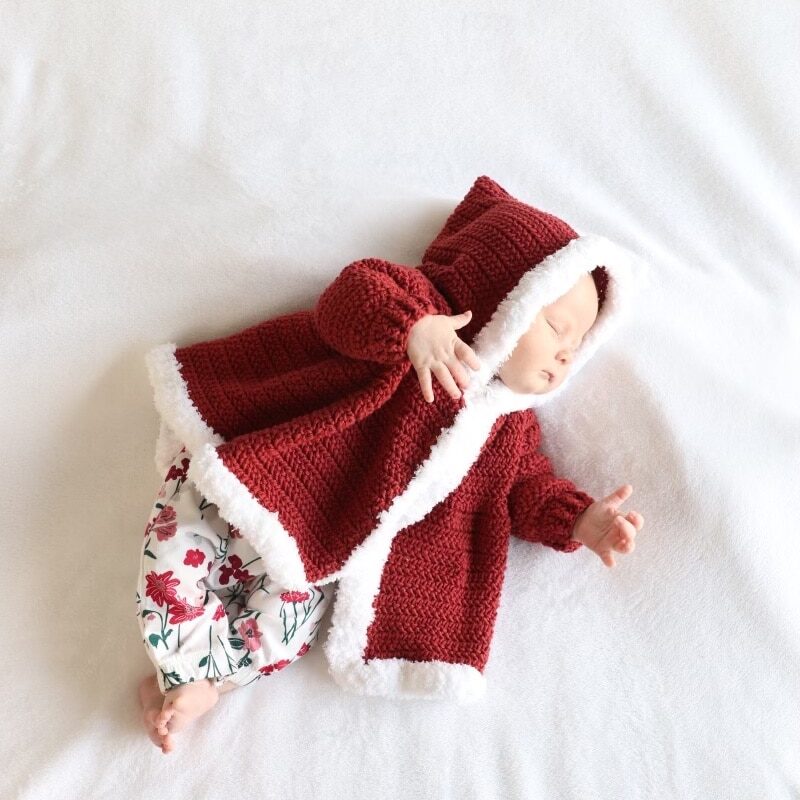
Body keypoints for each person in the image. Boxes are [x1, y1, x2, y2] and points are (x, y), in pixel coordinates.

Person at [137, 175, 646, 752]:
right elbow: (348, 301)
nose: (564, 352)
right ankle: (177, 664)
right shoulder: (420, 316)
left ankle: (202, 684)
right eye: (556, 325)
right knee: (177, 552)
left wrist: (579, 520)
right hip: (260, 471)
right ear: (505, 295)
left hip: (325, 548)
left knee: (286, 629)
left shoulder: (506, 430)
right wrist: (413, 327)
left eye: (577, 344)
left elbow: (526, 490)